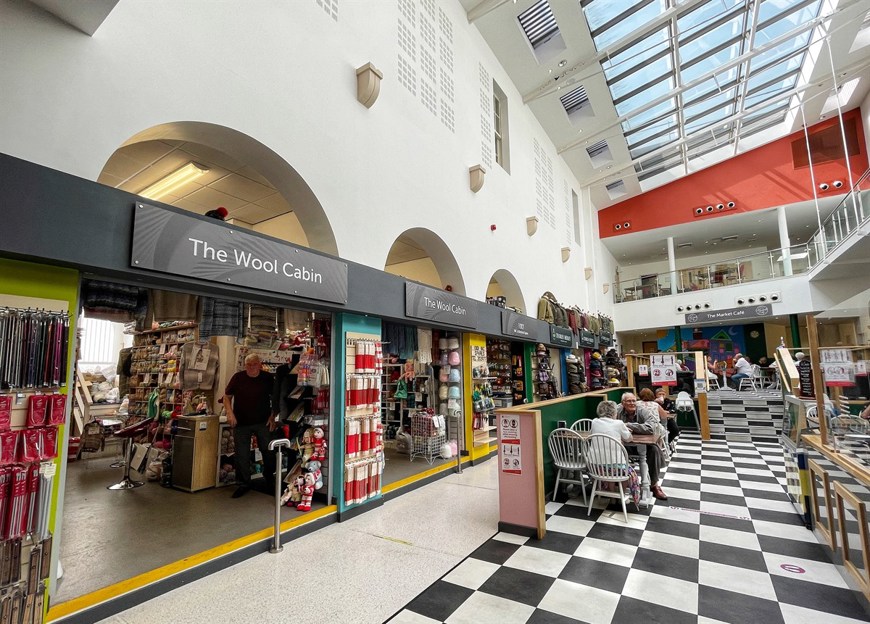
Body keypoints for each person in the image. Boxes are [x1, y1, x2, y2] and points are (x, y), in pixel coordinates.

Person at [223, 353, 277, 498]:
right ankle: (243, 483)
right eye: (249, 364)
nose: (252, 367)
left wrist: (273, 416)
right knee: (241, 454)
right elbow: (226, 397)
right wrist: (229, 413)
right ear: (245, 365)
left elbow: (275, 398)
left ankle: (269, 477)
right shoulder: (238, 377)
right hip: (241, 422)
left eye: (254, 364)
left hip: (262, 421)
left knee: (268, 451)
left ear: (260, 364)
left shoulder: (267, 378)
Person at [588, 400, 641, 507]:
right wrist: (627, 432)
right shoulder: (619, 423)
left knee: (611, 468)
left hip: (595, 466)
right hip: (614, 466)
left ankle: (612, 496)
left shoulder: (594, 422)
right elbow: (628, 439)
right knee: (627, 472)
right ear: (614, 412)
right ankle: (623, 495)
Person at [617, 392, 667, 500]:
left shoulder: (643, 411)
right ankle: (613, 482)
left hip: (644, 444)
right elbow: (610, 423)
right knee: (609, 447)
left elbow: (650, 428)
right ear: (622, 403)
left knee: (654, 450)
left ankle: (654, 485)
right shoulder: (618, 410)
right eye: (629, 401)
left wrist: (629, 425)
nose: (632, 403)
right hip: (624, 445)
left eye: (634, 400)